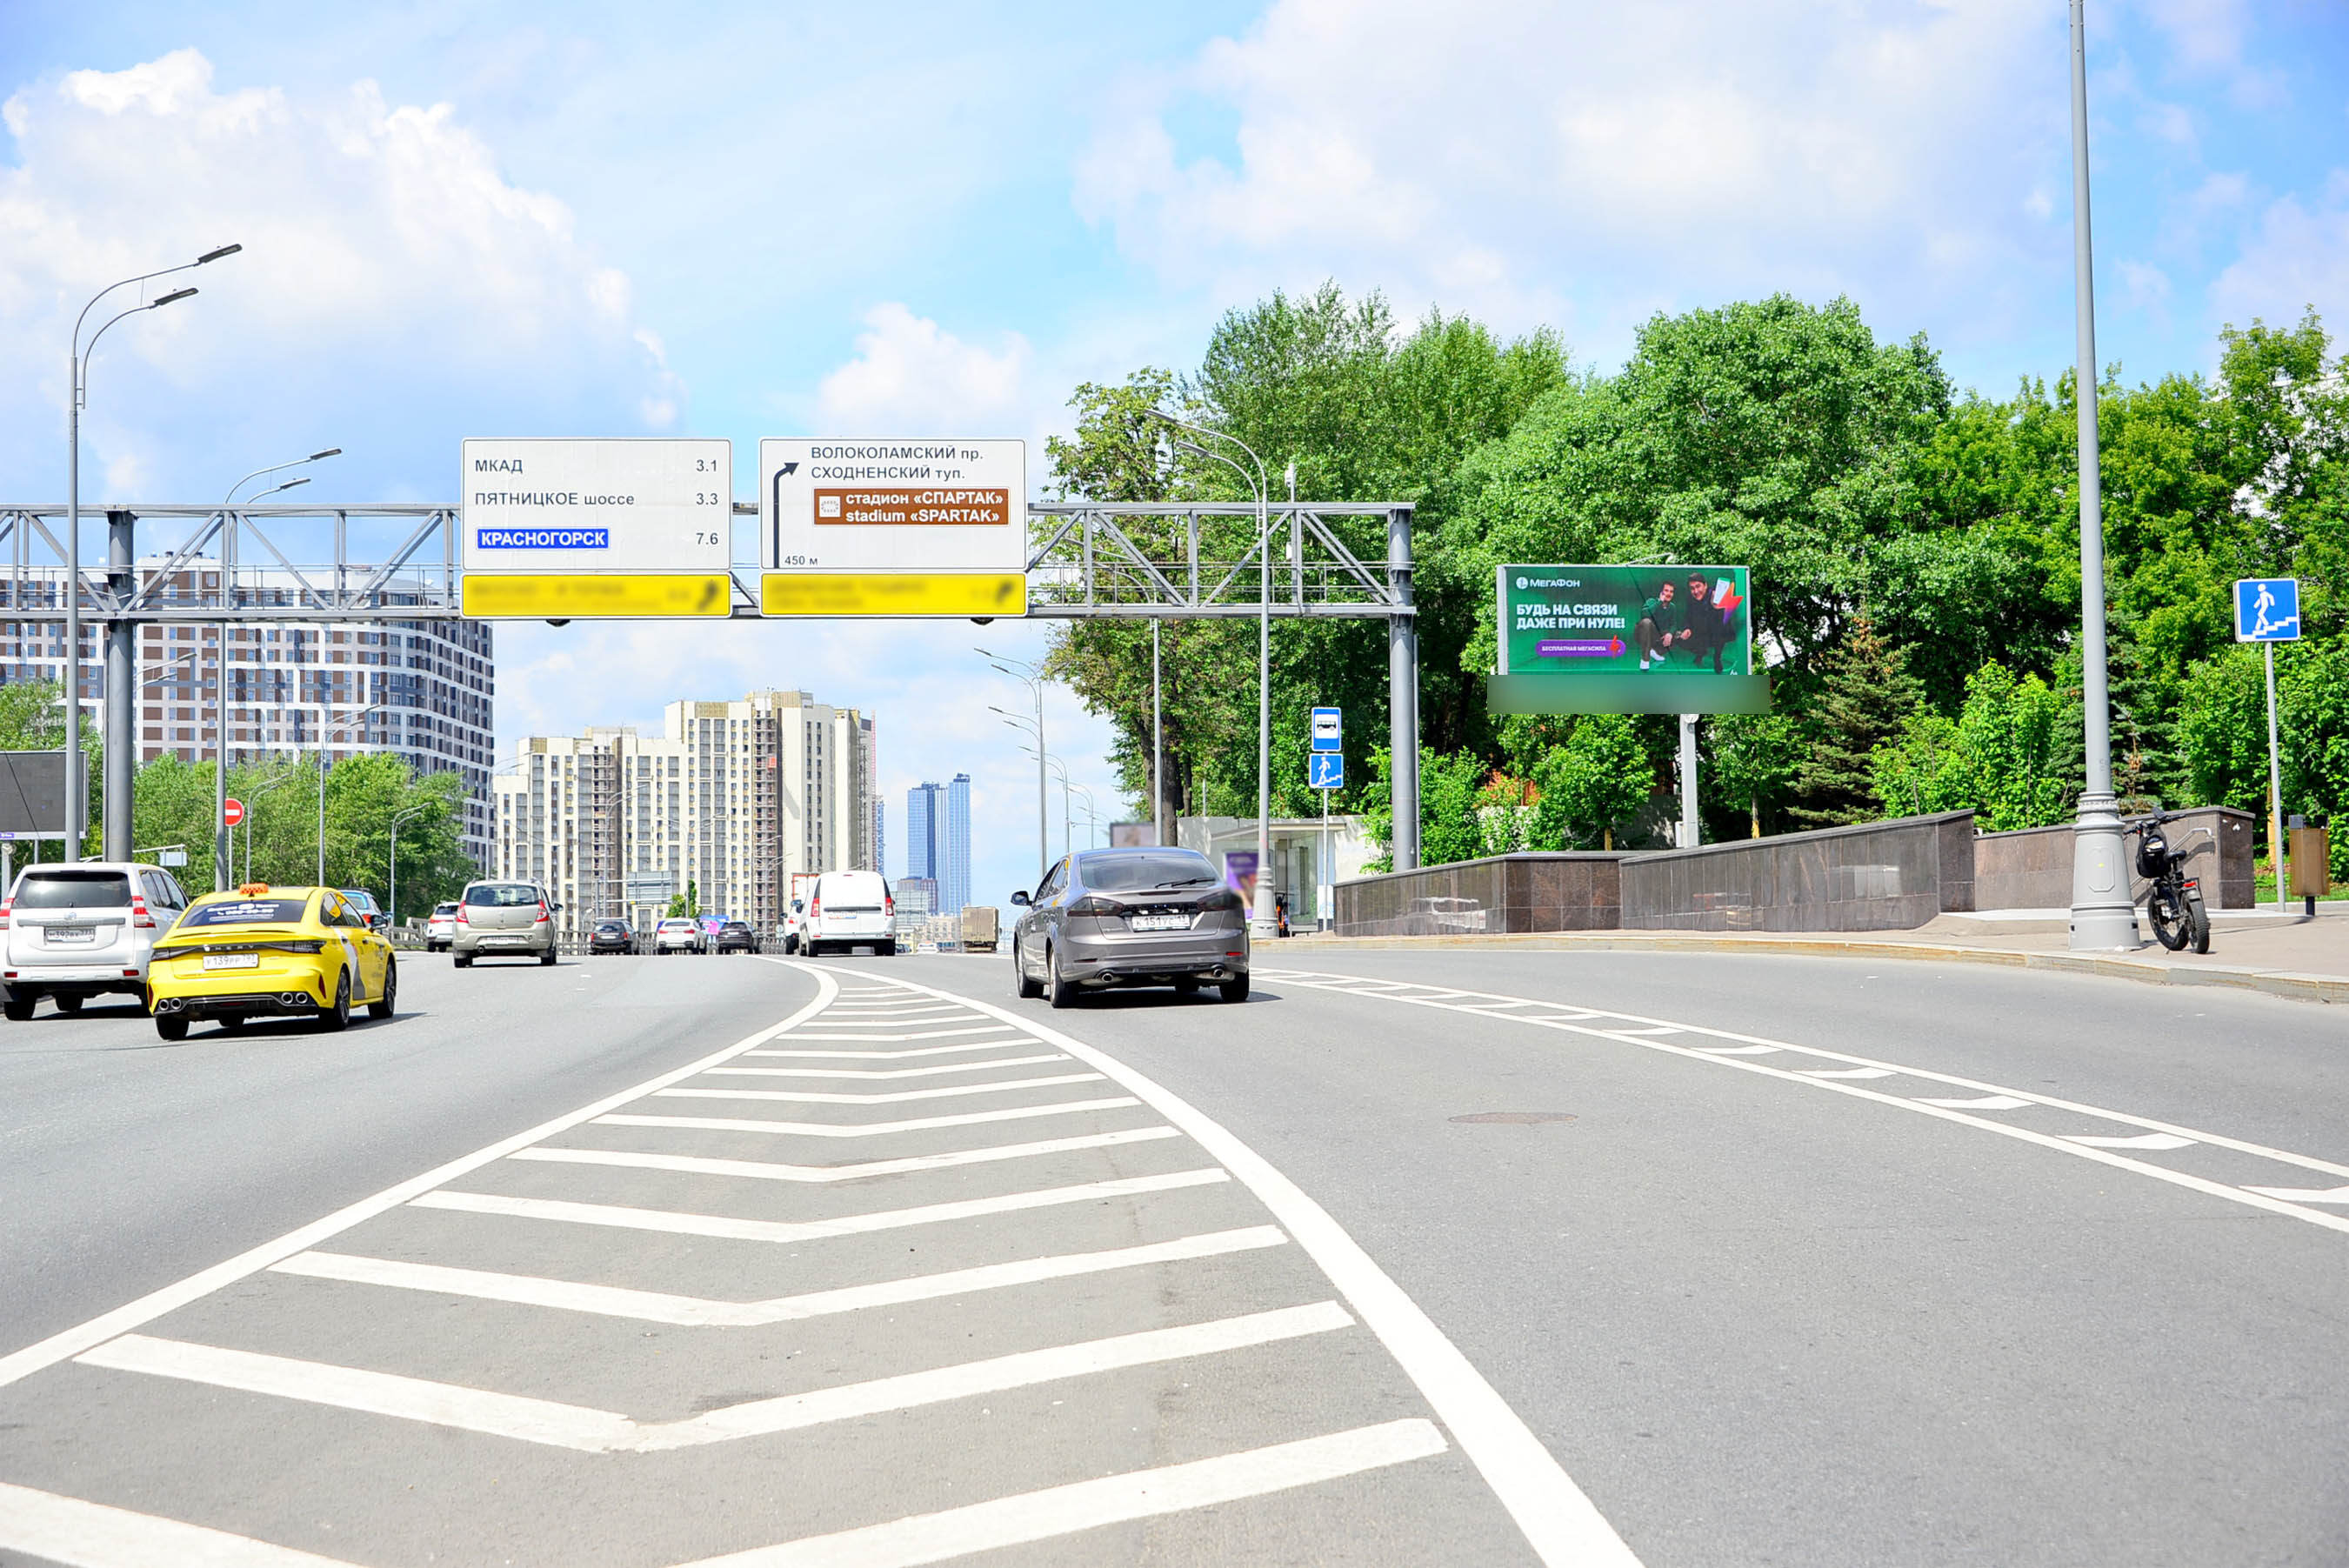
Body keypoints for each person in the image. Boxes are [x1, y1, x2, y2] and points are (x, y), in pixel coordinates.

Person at [1635, 579, 1688, 669]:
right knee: (1646, 622)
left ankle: (1655, 652)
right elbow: (1644, 614)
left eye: (1671, 592)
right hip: (1643, 634)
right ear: (1661, 592)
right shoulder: (1652, 601)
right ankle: (1645, 659)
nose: (1669, 593)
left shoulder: (1672, 607)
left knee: (1679, 635)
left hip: (1659, 636)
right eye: (1666, 591)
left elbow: (1673, 624)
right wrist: (1659, 602)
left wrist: (1670, 634)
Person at [1682, 573, 1727, 674]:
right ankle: (1701, 652)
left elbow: (1723, 620)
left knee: (1719, 631)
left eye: (1698, 586)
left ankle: (1717, 658)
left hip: (1717, 631)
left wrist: (1716, 607)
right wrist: (1687, 628)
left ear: (1705, 585)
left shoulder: (1715, 595)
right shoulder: (1690, 598)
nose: (1696, 591)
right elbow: (1688, 616)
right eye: (1692, 588)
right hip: (1700, 632)